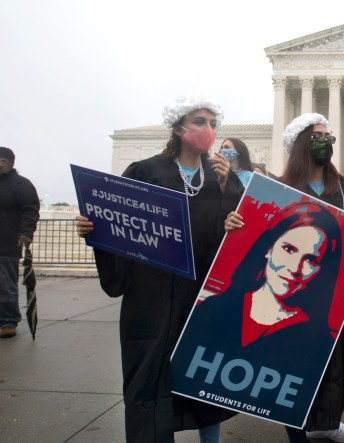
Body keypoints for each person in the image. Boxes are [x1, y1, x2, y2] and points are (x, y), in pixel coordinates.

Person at [75, 94, 243, 442]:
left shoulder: (220, 177)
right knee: (149, 382)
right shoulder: (146, 171)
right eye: (199, 122)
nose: (208, 130)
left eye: (213, 123)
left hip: (198, 296)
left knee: (203, 382)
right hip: (151, 298)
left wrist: (230, 192)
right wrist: (94, 227)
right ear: (179, 127)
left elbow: (235, 234)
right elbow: (120, 223)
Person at [226, 113, 344, 443]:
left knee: (331, 364)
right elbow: (257, 234)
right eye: (317, 136)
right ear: (300, 143)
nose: (325, 142)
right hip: (290, 289)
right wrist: (232, 223)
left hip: (330, 291)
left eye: (328, 137)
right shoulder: (279, 187)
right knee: (290, 364)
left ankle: (326, 422)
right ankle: (297, 432)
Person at [171, 201, 342, 426]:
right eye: (289, 249)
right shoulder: (215, 307)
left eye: (311, 259)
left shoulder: (319, 339)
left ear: (322, 270)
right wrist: (230, 227)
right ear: (269, 248)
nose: (295, 268)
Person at [0, 147, 40, 339]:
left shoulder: (21, 184)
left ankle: (8, 321)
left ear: (11, 163)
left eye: (3, 161)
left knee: (5, 285)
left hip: (7, 243)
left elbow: (31, 210)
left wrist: (26, 232)